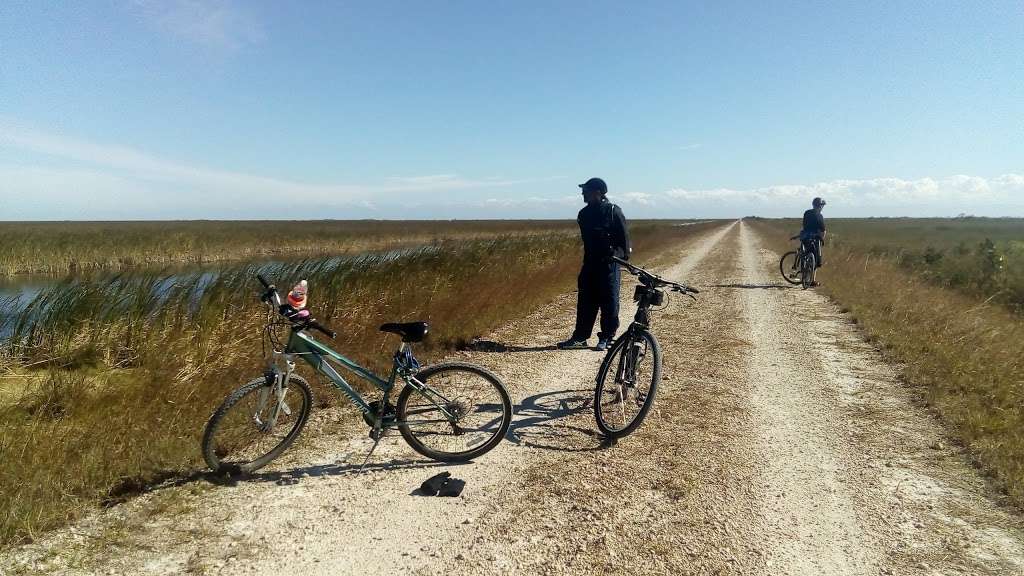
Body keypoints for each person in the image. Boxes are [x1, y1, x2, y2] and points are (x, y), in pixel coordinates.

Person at [557, 177, 631, 351]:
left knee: (609, 302)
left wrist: (616, 256)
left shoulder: (613, 211)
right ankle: (580, 338)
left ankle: (607, 337)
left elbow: (625, 244)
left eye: (586, 190)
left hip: (609, 265)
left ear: (598, 192)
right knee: (585, 302)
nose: (583, 193)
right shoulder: (583, 214)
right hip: (589, 264)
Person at [800, 197, 827, 286]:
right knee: (816, 259)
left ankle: (804, 274)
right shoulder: (819, 215)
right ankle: (812, 280)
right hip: (814, 239)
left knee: (805, 255)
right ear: (820, 206)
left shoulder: (807, 212)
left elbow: (804, 225)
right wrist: (822, 239)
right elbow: (823, 230)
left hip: (805, 237)